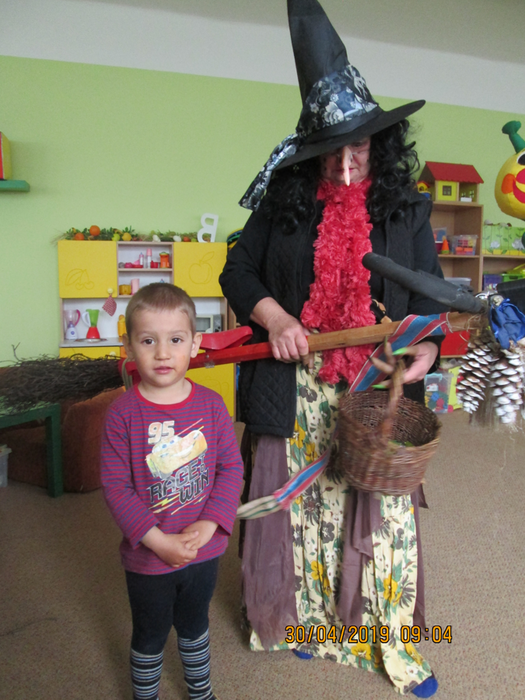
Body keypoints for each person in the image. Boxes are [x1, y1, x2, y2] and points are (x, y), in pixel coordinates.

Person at [219, 0, 443, 697]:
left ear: (381, 142)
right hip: (294, 381)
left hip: (375, 381)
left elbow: (431, 296)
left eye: (359, 149)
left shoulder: (407, 207)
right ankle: (305, 621)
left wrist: (427, 350)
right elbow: (237, 270)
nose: (346, 165)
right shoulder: (282, 203)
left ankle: (391, 639)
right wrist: (274, 316)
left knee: (381, 508)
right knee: (304, 509)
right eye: (331, 152)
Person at [100, 283, 244, 700]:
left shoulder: (213, 405)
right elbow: (116, 487)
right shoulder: (121, 414)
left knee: (195, 626)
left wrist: (211, 522)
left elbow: (230, 468)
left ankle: (201, 692)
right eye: (149, 341)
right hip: (149, 557)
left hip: (204, 551)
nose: (163, 353)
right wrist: (157, 541)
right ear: (128, 346)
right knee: (149, 633)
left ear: (195, 344)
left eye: (176, 340)